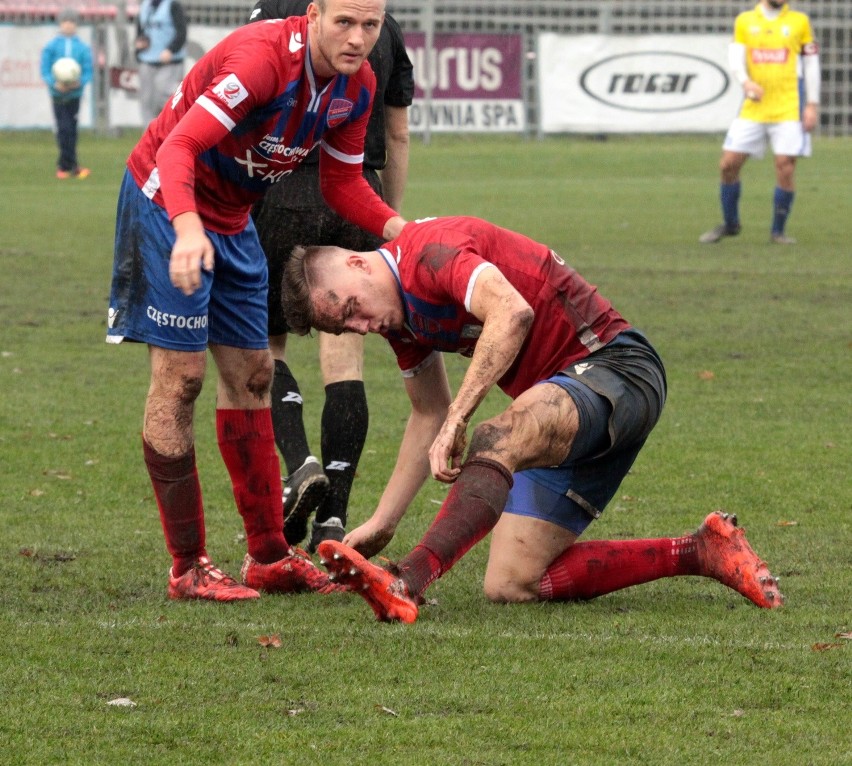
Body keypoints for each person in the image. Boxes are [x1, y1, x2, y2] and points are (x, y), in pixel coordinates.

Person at [281, 215, 784, 622]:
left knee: (494, 435)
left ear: (356, 264)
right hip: (555, 407)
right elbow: (427, 413)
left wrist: (460, 416)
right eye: (346, 326)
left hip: (618, 369)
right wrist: (382, 522)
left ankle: (406, 579)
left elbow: (511, 312)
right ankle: (700, 551)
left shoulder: (429, 252)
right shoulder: (398, 320)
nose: (362, 324)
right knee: (512, 582)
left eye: (352, 307)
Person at [105, 0, 406, 601]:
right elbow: (178, 148)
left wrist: (402, 231)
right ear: (315, 13)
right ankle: (188, 565)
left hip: (233, 214)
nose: (357, 38)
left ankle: (268, 555)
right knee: (182, 379)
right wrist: (189, 230)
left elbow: (343, 183)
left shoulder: (358, 84)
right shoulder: (262, 61)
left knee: (255, 374)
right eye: (344, 22)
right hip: (168, 202)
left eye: (370, 26)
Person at [248, 0, 414, 554]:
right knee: (344, 357)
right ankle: (335, 519)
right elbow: (397, 138)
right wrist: (390, 218)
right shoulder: (380, 25)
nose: (356, 33)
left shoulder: (277, 13)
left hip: (281, 189)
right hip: (357, 193)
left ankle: (300, 466)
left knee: (265, 347)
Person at [699, 0, 820, 245]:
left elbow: (811, 63)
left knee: (785, 167)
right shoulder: (745, 20)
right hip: (754, 107)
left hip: (788, 107)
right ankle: (731, 224)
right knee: (728, 165)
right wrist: (746, 82)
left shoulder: (800, 22)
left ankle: (778, 232)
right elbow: (736, 58)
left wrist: (812, 104)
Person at [40, 8, 93, 179]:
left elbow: (87, 70)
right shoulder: (52, 46)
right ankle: (66, 165)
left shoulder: (82, 47)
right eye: (65, 22)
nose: (68, 25)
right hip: (58, 95)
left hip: (74, 95)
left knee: (72, 130)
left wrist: (80, 82)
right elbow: (45, 68)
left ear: (76, 25)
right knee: (63, 128)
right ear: (60, 24)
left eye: (72, 22)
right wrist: (54, 83)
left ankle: (69, 165)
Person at [134, 0, 188, 126]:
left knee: (164, 95)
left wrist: (171, 49)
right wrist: (139, 44)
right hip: (147, 59)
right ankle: (149, 134)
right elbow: (140, 30)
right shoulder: (145, 5)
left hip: (169, 61)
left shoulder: (172, 5)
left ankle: (171, 128)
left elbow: (182, 32)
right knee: (146, 99)